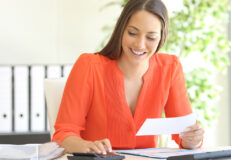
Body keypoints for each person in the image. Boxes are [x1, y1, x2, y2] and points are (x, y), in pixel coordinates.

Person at [52, 0, 204, 154]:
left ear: (161, 38)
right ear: (121, 30)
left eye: (151, 38)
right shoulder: (89, 66)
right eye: (132, 33)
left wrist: (192, 140)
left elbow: (185, 133)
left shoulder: (170, 68)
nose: (140, 44)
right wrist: (88, 147)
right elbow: (63, 136)